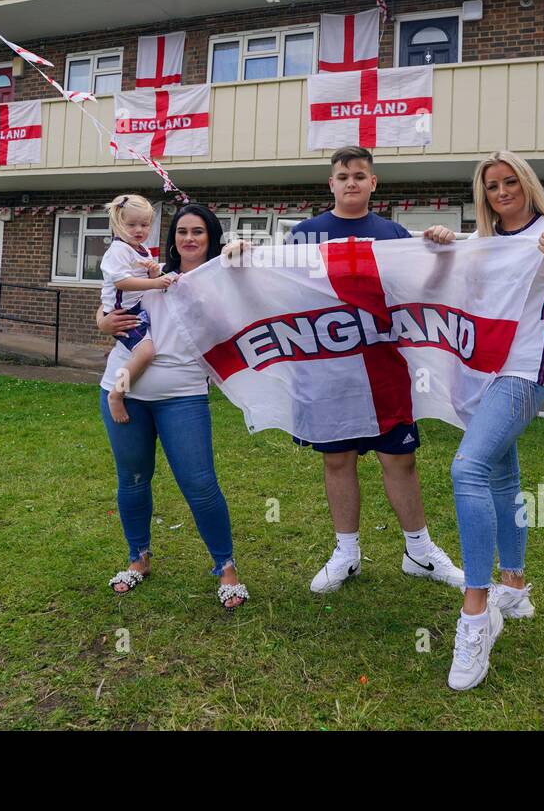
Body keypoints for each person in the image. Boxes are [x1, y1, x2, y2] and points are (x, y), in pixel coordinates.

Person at [426, 151, 544, 691]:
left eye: (510, 182)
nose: (503, 192)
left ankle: (477, 613)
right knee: (501, 475)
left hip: (525, 373)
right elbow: (449, 292)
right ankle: (515, 586)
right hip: (479, 371)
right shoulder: (480, 240)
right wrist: (438, 248)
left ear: (527, 185)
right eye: (492, 186)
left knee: (468, 470)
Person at [286, 146, 464, 594]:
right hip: (328, 369)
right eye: (343, 175)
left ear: (373, 183)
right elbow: (280, 295)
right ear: (331, 184)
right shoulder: (305, 234)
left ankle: (419, 552)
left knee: (399, 459)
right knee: (337, 458)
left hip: (384, 366)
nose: (351, 182)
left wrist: (440, 251)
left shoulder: (393, 232)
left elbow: (417, 291)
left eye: (360, 175)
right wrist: (242, 255)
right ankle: (347, 553)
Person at [96, 203, 249, 610]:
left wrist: (240, 249)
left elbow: (256, 273)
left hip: (183, 394)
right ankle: (138, 556)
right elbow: (113, 300)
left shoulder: (222, 279)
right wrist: (101, 321)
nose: (189, 238)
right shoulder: (152, 270)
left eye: (198, 231)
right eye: (182, 231)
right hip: (124, 388)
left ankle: (226, 566)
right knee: (132, 478)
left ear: (210, 236)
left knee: (200, 483)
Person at [99, 194, 175, 425]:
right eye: (131, 224)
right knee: (145, 353)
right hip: (124, 314)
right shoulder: (118, 250)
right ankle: (116, 393)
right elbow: (122, 282)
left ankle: (119, 390)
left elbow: (143, 278)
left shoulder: (140, 249)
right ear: (117, 224)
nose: (138, 230)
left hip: (135, 309)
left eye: (144, 224)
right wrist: (155, 282)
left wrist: (153, 272)